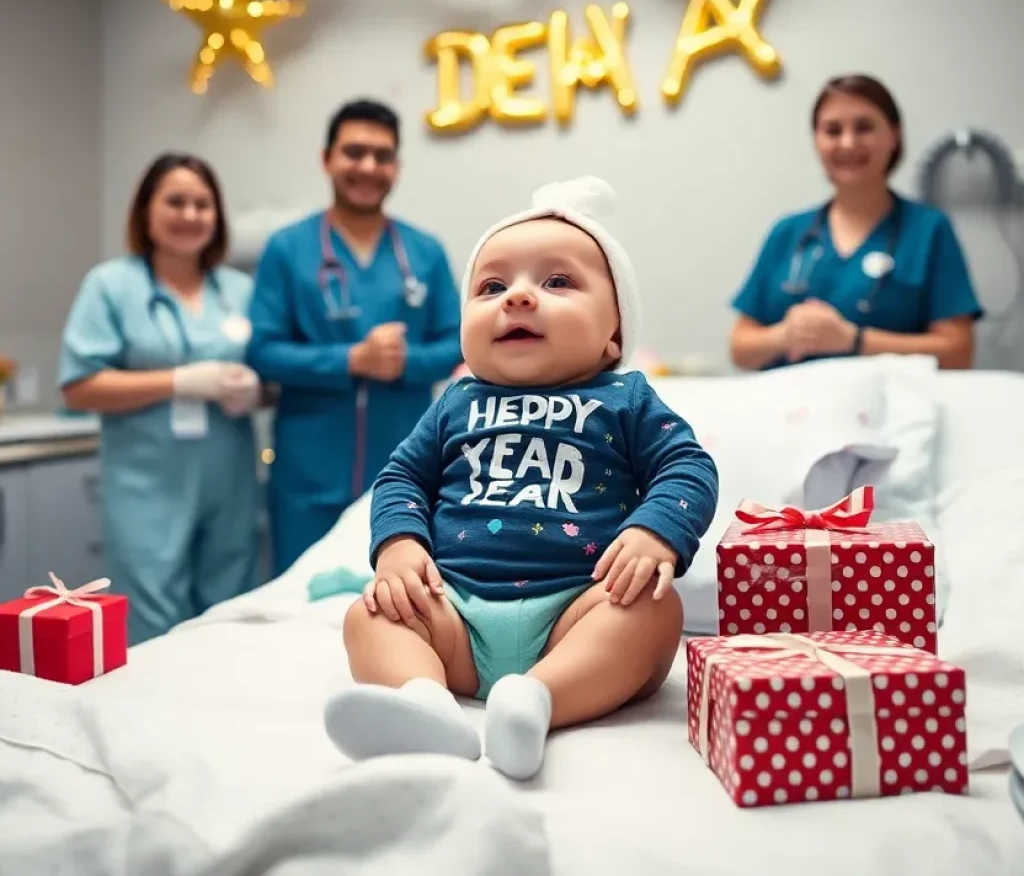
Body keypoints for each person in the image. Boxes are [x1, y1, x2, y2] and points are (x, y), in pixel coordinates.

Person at [322, 176, 719, 780]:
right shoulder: (455, 403)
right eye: (492, 286)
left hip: (576, 613)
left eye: (557, 281)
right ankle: (427, 707)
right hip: (453, 611)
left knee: (654, 614)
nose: (519, 297)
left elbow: (687, 467)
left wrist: (655, 532)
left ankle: (535, 701)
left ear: (614, 332)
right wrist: (400, 545)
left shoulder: (625, 398)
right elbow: (401, 476)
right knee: (369, 617)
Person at [246, 99, 462, 577]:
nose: (368, 166)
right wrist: (351, 360)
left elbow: (457, 345)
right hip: (308, 475)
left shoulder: (424, 252)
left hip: (407, 473)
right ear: (328, 159)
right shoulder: (288, 249)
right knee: (294, 610)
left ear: (397, 167)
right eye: (354, 152)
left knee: (399, 605)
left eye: (382, 156)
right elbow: (262, 351)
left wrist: (404, 361)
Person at [59, 153, 263, 645]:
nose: (190, 215)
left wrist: (258, 392)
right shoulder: (111, 285)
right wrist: (178, 383)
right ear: (145, 210)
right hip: (148, 485)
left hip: (229, 480)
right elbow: (79, 386)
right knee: (151, 618)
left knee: (229, 614)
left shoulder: (241, 291)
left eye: (203, 204)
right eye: (176, 202)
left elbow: (273, 369)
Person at [730, 74, 983, 371]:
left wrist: (854, 340)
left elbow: (959, 352)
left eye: (864, 128)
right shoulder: (787, 233)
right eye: (833, 131)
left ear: (894, 135)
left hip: (892, 412)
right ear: (816, 141)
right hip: (792, 411)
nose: (848, 143)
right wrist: (784, 336)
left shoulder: (929, 230)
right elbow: (739, 348)